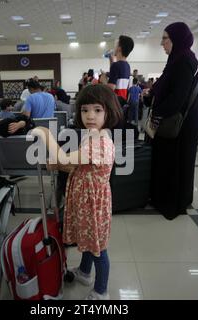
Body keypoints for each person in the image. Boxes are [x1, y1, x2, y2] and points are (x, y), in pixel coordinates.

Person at [31, 84, 121, 300]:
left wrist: (44, 132)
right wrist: (58, 164)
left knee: (98, 247)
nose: (90, 116)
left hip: (93, 202)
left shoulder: (99, 142)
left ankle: (101, 291)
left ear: (109, 111)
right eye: (85, 110)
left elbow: (65, 158)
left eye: (98, 110)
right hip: (86, 199)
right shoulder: (92, 135)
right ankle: (84, 272)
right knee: (88, 239)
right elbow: (77, 163)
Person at [147, 22, 198, 220]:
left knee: (174, 163)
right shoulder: (176, 59)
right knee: (165, 161)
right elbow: (164, 85)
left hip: (178, 125)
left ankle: (172, 203)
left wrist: (156, 112)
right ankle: (161, 197)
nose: (162, 43)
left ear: (176, 39)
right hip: (172, 121)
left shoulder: (184, 60)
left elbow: (178, 97)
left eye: (165, 38)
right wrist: (151, 93)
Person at [107, 35, 134, 100]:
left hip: (114, 102)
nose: (114, 48)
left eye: (116, 45)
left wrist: (103, 80)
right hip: (121, 102)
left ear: (119, 48)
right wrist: (111, 61)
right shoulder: (127, 66)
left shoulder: (116, 65)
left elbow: (110, 89)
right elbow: (117, 78)